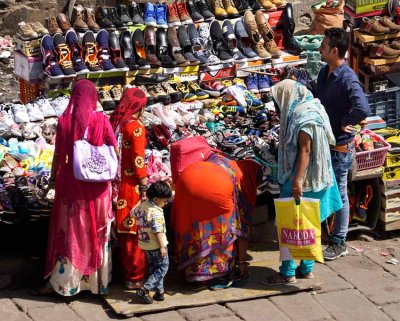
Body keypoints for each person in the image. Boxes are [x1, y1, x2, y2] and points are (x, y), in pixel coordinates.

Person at [37, 80, 118, 296]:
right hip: (99, 189)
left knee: (72, 234)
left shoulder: (64, 122)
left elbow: (58, 156)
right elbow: (114, 149)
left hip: (71, 187)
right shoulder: (101, 119)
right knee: (97, 232)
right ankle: (98, 283)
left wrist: (53, 179)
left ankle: (67, 284)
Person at [264, 79, 343, 284]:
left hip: (305, 179)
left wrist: (296, 182)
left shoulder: (303, 116)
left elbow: (305, 151)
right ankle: (307, 269)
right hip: (320, 176)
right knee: (309, 224)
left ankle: (287, 272)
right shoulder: (315, 106)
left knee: (290, 224)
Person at [317, 28, 370, 260]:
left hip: (340, 146)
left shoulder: (348, 79)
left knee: (338, 191)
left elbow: (363, 108)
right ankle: (324, 231)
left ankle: (339, 241)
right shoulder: (324, 72)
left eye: (323, 45)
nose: (320, 48)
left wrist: (344, 122)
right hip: (325, 142)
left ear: (334, 50)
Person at [171, 152, 262, 284]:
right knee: (223, 229)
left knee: (194, 227)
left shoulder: (224, 160)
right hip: (215, 187)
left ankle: (191, 271)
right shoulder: (243, 180)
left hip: (186, 179)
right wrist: (242, 264)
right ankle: (215, 274)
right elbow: (241, 230)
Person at [109, 88, 149, 289]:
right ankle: (135, 278)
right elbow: (138, 159)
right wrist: (144, 183)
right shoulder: (136, 127)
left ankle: (125, 274)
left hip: (117, 185)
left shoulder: (118, 123)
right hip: (131, 187)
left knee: (124, 231)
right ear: (140, 108)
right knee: (136, 233)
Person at [132, 181, 172, 304]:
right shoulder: (156, 212)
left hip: (146, 245)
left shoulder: (143, 206)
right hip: (156, 245)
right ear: (156, 199)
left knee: (154, 267)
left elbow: (132, 213)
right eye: (165, 201)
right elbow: (157, 230)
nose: (166, 203)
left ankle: (159, 293)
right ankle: (145, 288)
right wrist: (162, 246)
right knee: (163, 268)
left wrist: (141, 200)